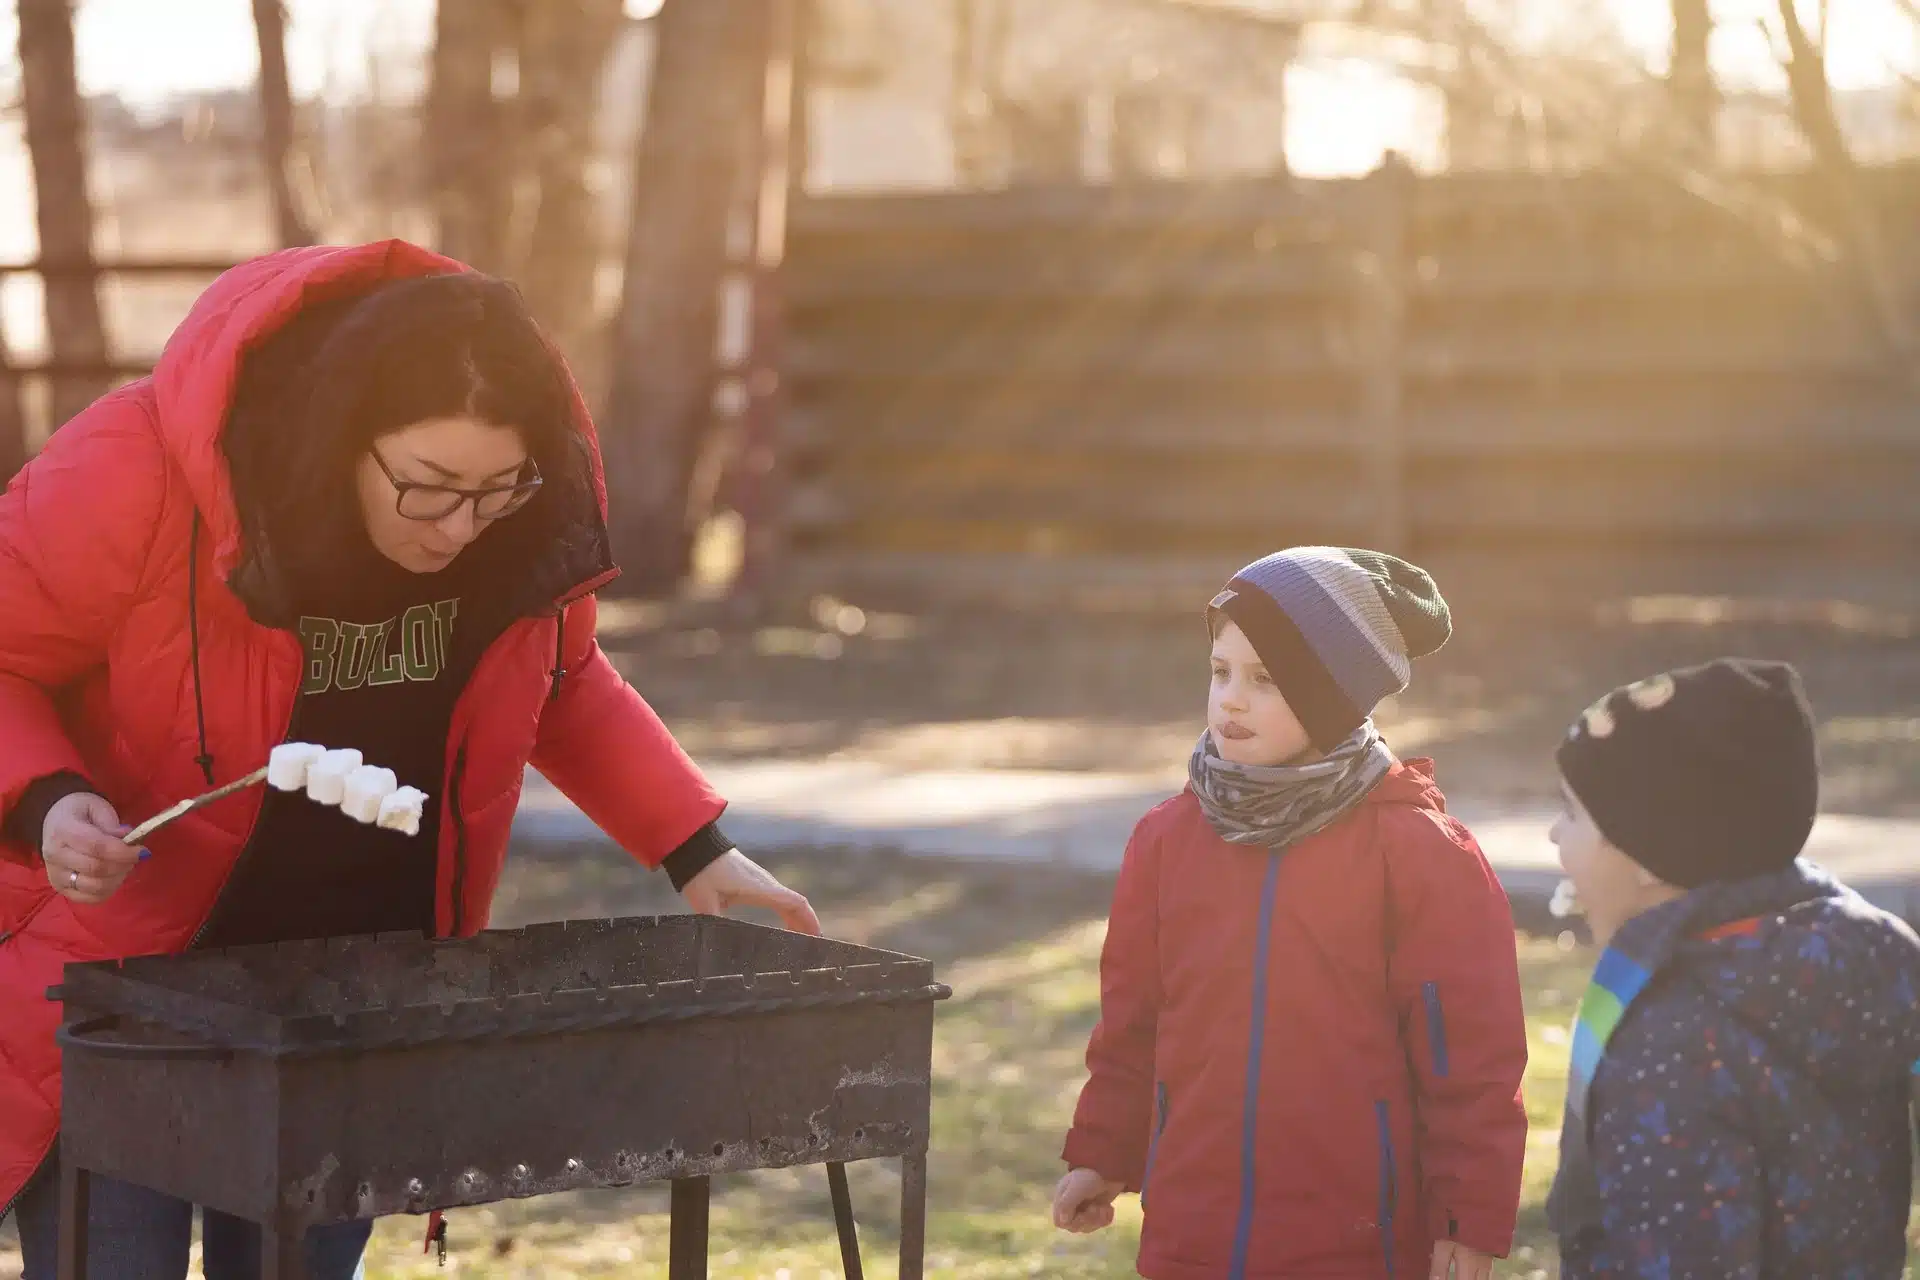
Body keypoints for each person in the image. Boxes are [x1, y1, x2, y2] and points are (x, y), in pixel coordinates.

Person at [0, 241, 820, 1280]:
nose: (461, 527)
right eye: (428, 487)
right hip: (122, 997)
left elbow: (564, 683)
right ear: (344, 437)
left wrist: (696, 844)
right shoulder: (138, 472)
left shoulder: (514, 536)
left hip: (346, 998)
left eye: (498, 488)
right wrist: (48, 801)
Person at [1052, 548, 1528, 1280]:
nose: (1231, 700)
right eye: (1221, 672)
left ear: (1335, 697)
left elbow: (1469, 1063)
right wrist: (1105, 1152)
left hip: (1356, 1239)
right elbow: (1133, 1022)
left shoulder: (1417, 851)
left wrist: (1467, 1216)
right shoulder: (1167, 839)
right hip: (1194, 1230)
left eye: (1267, 680)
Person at [1545, 657, 1920, 1279]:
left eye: (1572, 813)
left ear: (1650, 851)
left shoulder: (1669, 1042)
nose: (1555, 837)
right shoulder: (1874, 958)